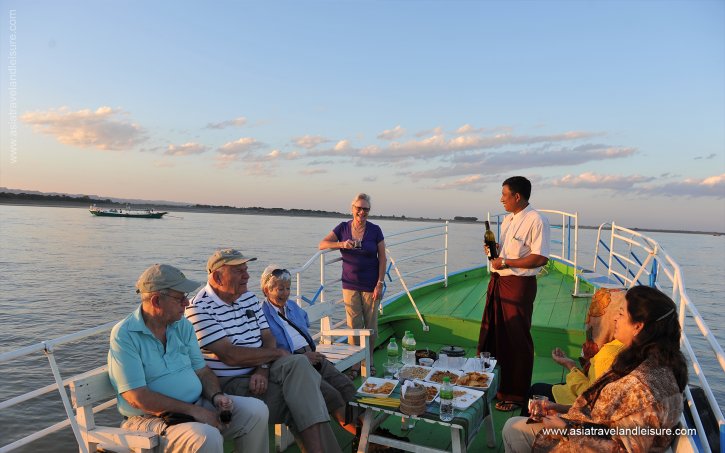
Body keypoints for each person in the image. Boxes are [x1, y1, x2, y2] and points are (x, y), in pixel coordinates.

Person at [186, 248, 342, 453]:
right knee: (303, 401)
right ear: (217, 277)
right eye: (239, 271)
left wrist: (263, 369)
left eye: (246, 269)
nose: (247, 276)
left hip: (261, 368)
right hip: (231, 380)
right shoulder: (199, 308)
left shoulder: (248, 298)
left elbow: (268, 337)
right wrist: (277, 354)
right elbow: (230, 355)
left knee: (300, 363)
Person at [502, 285, 687, 452]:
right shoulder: (651, 361)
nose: (614, 318)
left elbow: (625, 448)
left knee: (512, 428)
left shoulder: (642, 386)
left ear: (638, 326)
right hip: (587, 432)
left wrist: (566, 429)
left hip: (581, 442)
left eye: (621, 314)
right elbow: (604, 417)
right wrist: (558, 409)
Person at [107, 264, 269, 453]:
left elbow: (203, 371)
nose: (187, 302)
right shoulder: (125, 334)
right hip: (150, 419)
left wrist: (216, 396)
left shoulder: (182, 326)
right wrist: (196, 412)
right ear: (157, 300)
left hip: (196, 406)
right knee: (206, 436)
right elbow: (137, 397)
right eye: (180, 298)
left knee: (256, 411)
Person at [477, 176, 551, 411]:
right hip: (499, 281)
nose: (501, 199)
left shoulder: (536, 219)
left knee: (516, 339)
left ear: (517, 196)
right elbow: (508, 253)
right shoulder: (509, 220)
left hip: (518, 285)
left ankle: (516, 394)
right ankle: (495, 386)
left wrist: (506, 262)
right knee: (494, 333)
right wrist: (496, 252)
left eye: (504, 195)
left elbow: (540, 257)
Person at [259, 264, 358, 435]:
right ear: (267, 290)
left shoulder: (292, 306)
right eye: (280, 289)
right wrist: (303, 357)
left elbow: (304, 324)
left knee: (347, 386)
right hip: (294, 364)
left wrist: (309, 353)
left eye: (288, 288)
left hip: (313, 356)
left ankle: (368, 430)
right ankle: (362, 437)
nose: (285, 293)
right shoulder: (262, 314)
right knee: (332, 395)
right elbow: (269, 353)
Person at [521, 288, 625, 416]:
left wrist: (570, 365)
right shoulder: (627, 344)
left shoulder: (609, 353)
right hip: (586, 399)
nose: (589, 320)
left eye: (596, 314)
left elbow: (588, 394)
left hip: (580, 408)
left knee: (536, 391)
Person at [319, 192, 386, 377]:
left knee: (371, 326)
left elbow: (383, 258)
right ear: (352, 209)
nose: (362, 212)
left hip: (371, 284)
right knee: (353, 326)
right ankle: (356, 363)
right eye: (359, 208)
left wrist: (380, 283)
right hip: (349, 284)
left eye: (366, 209)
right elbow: (322, 244)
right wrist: (342, 244)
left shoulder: (375, 230)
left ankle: (369, 360)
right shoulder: (343, 227)